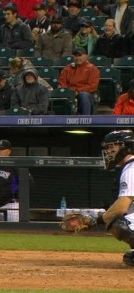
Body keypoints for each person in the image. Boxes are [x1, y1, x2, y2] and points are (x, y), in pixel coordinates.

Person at [91, 129, 134, 266]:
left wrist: (95, 221)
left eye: (112, 147)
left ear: (126, 147)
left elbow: (121, 207)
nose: (109, 151)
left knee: (118, 221)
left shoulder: (131, 168)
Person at [58, 47, 100, 115]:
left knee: (83, 95)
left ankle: (85, 120)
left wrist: (77, 91)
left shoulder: (92, 69)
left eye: (80, 55)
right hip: (69, 93)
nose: (77, 58)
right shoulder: (67, 68)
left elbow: (93, 86)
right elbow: (62, 82)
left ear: (86, 56)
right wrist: (67, 91)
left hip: (87, 94)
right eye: (75, 56)